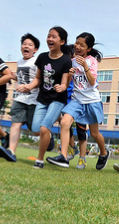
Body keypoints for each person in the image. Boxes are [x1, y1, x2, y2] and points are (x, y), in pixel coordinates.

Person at [46, 32, 110, 170]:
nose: (78, 46)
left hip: (92, 101)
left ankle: (104, 153)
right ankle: (63, 156)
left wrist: (85, 67)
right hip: (77, 100)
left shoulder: (92, 61)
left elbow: (92, 82)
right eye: (77, 43)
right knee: (64, 122)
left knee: (94, 133)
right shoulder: (72, 61)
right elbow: (69, 82)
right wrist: (67, 78)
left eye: (82, 45)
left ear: (88, 49)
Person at [21, 26, 72, 169]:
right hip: (42, 99)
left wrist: (62, 87)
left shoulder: (66, 61)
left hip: (57, 100)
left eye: (54, 36)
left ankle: (40, 159)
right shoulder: (42, 57)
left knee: (44, 128)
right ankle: (50, 136)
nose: (50, 39)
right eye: (49, 36)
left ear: (62, 42)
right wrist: (29, 87)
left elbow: (64, 82)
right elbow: (38, 78)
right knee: (36, 128)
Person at [0, 33, 40, 162]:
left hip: (34, 100)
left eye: (30, 45)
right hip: (21, 98)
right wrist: (12, 75)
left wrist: (29, 87)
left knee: (35, 130)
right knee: (15, 124)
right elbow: (21, 77)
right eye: (24, 44)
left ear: (35, 49)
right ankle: (11, 151)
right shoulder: (20, 62)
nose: (26, 46)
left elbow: (40, 79)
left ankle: (48, 139)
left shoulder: (37, 62)